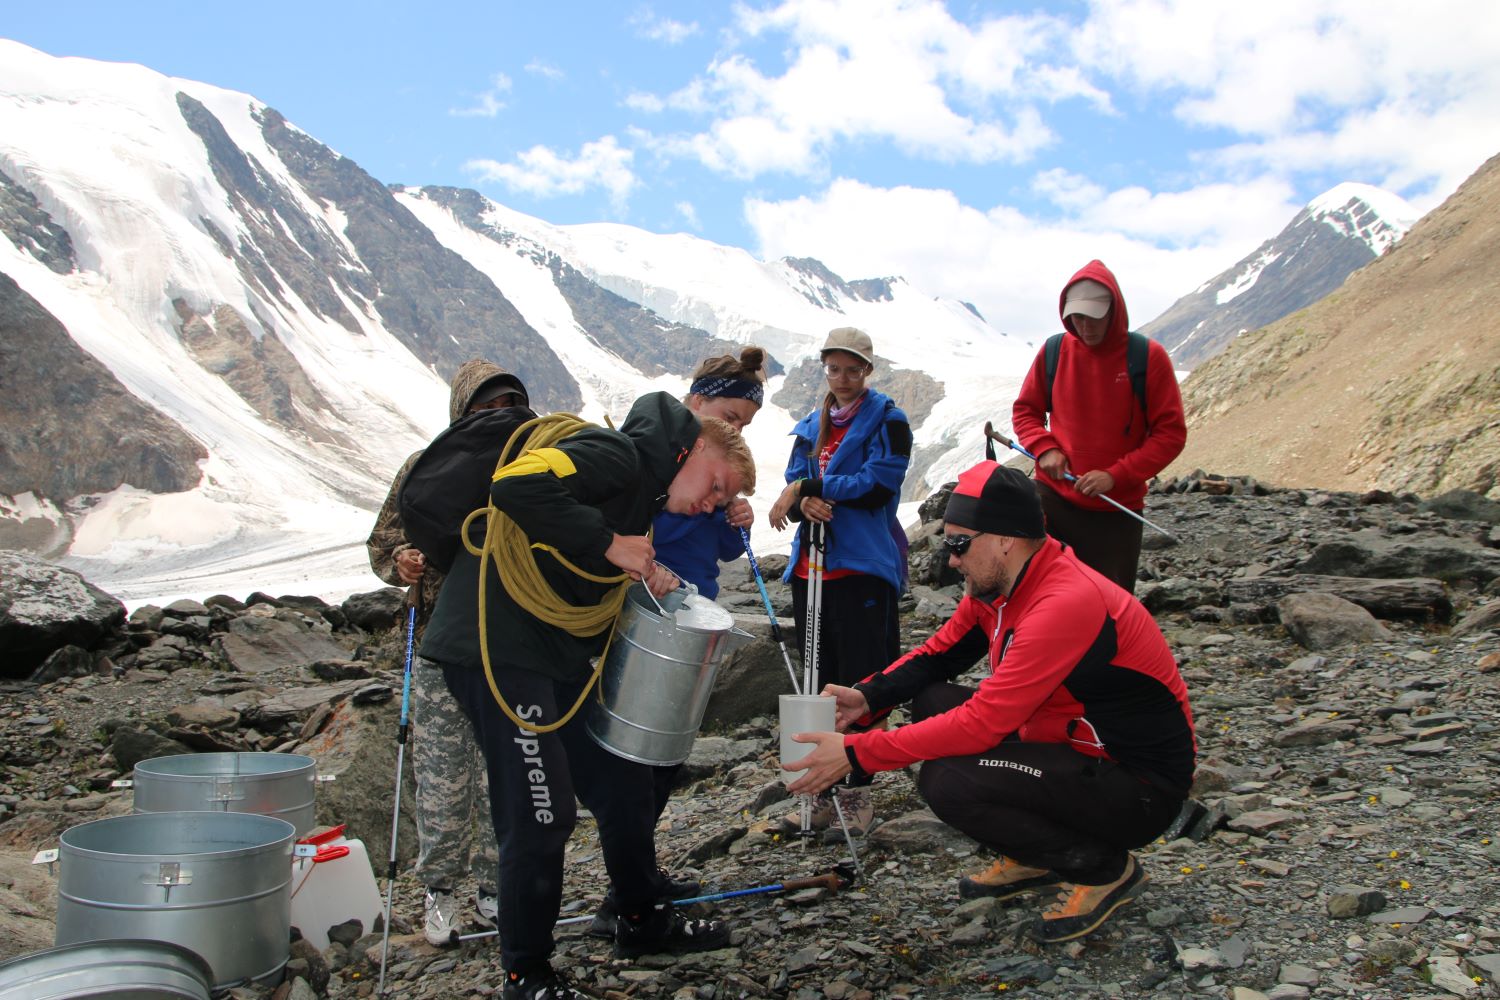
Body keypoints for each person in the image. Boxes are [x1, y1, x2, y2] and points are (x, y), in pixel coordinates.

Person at [420, 391, 756, 1000]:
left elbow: (579, 551)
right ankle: (526, 974)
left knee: (623, 778)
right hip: (495, 645)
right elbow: (515, 485)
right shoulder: (617, 454)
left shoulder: (646, 493)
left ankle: (639, 917)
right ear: (698, 444)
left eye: (722, 500)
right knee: (541, 811)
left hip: (550, 650)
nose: (713, 503)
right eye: (717, 485)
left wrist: (641, 566)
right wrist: (609, 544)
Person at [784, 461, 1195, 944]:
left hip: (1137, 785)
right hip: (1072, 747)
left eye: (959, 543)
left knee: (950, 781)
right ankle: (1033, 852)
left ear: (1005, 539)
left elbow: (983, 723)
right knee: (934, 700)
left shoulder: (1064, 602)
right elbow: (939, 655)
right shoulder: (1001, 587)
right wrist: (867, 698)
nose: (951, 559)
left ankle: (1104, 868)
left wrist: (855, 753)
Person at [586, 346, 768, 941]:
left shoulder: (703, 482)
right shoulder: (655, 475)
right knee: (637, 759)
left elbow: (719, 550)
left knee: (666, 755)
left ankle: (636, 882)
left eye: (743, 425)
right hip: (647, 615)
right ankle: (631, 896)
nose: (735, 429)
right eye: (729, 418)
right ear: (698, 406)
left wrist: (733, 518)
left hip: (693, 613)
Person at [367, 358, 529, 946]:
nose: (498, 417)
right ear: (462, 411)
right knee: (440, 773)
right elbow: (383, 542)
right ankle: (440, 890)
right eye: (485, 408)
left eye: (507, 405)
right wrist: (402, 560)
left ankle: (493, 885)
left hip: (508, 642)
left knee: (499, 773)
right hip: (437, 641)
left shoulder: (531, 462)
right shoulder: (425, 467)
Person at [769, 327, 911, 835]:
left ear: (868, 370)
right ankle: (820, 792)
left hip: (863, 568)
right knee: (818, 679)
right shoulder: (812, 425)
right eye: (835, 368)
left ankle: (858, 795)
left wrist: (809, 486)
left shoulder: (889, 422)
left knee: (861, 680)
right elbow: (795, 480)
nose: (844, 378)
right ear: (825, 369)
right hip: (812, 567)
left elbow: (879, 484)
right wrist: (805, 498)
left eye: (853, 369)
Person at [1011, 260, 1187, 592]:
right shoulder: (1054, 351)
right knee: (1039, 592)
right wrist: (1045, 447)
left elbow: (1170, 433)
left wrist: (1116, 476)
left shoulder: (1146, 357)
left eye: (1094, 317)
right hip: (1053, 499)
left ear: (1114, 311)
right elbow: (1026, 411)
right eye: (1077, 318)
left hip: (1116, 509)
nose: (1085, 326)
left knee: (1109, 606)